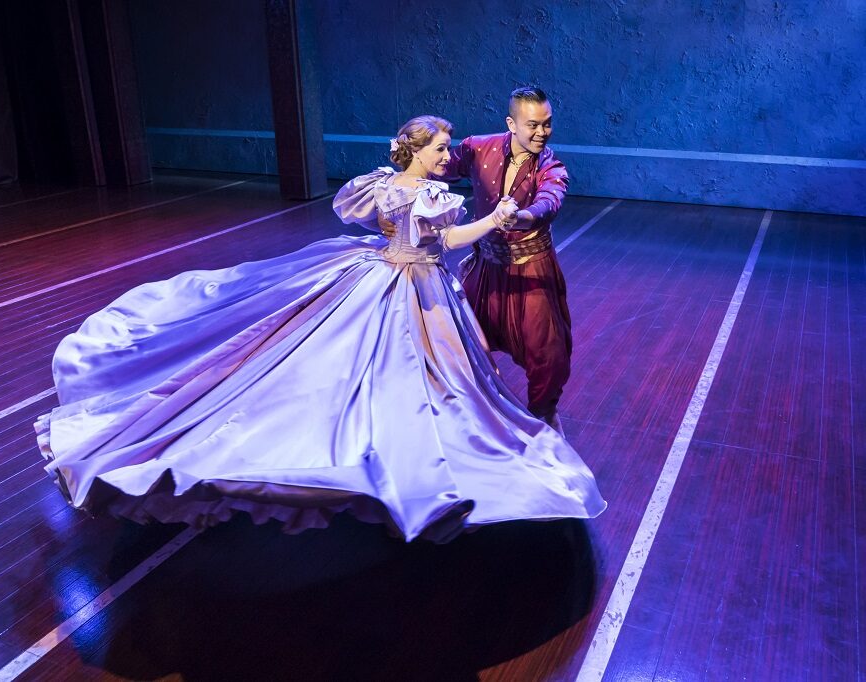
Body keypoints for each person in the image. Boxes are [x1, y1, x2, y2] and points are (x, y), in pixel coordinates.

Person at [35, 115, 605, 544]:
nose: (444, 158)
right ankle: (403, 457)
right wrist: (494, 218)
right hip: (413, 286)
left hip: (383, 269)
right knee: (412, 368)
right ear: (417, 151)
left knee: (397, 364)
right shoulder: (428, 196)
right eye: (437, 150)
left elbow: (377, 221)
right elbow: (448, 241)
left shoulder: (383, 184)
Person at [381, 87, 572, 434]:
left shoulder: (551, 166)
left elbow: (550, 202)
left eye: (547, 124)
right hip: (485, 268)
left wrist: (522, 217)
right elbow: (437, 166)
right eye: (533, 125)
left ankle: (542, 419)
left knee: (549, 356)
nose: (542, 133)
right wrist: (401, 189)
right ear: (511, 123)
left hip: (531, 269)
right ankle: (468, 420)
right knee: (461, 343)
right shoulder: (477, 147)